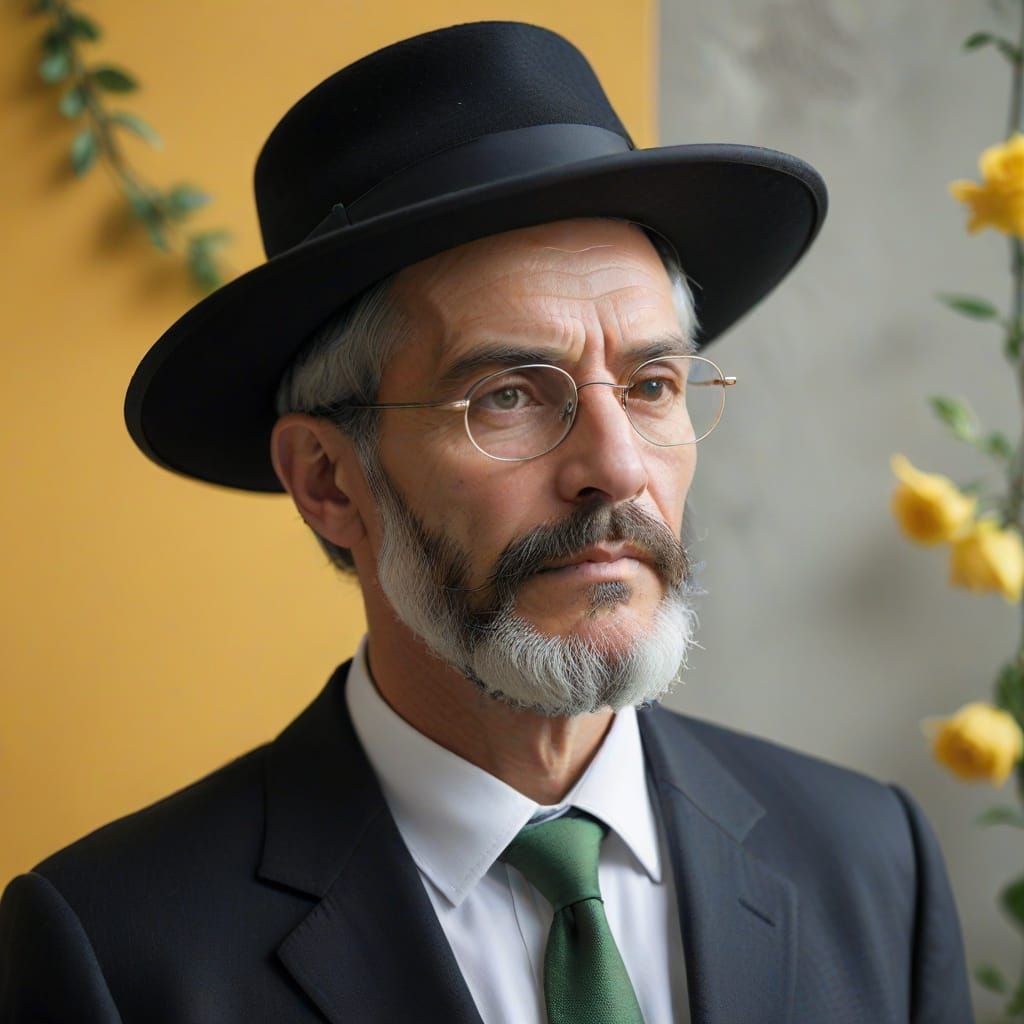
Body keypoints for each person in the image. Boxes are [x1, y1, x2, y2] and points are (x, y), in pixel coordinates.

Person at [0, 20, 973, 1024]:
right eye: (508, 395)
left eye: (649, 383)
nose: (616, 467)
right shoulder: (120, 954)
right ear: (329, 479)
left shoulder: (871, 863)